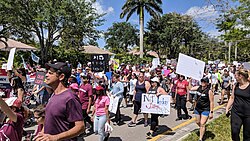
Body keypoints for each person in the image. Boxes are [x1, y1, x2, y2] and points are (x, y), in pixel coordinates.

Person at [34, 62, 85, 141]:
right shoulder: (53, 95)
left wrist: (55, 137)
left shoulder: (70, 97)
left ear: (61, 77)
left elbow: (80, 127)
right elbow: (50, 120)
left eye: (50, 73)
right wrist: (42, 133)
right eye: (47, 72)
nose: (46, 75)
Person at [226, 69, 250, 141]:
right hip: (236, 112)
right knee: (234, 132)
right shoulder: (235, 85)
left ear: (241, 76)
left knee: (247, 135)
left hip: (248, 115)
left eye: (236, 75)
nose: (235, 76)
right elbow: (232, 97)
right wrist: (227, 108)